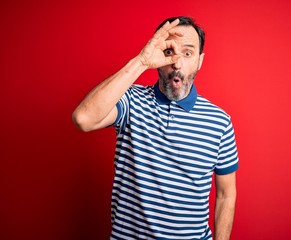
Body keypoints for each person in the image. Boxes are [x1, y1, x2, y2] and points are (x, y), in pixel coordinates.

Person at [73, 16, 239, 240]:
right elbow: (84, 118)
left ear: (200, 61)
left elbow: (226, 194)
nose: (177, 64)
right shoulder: (130, 100)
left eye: (187, 53)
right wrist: (142, 61)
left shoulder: (220, 122)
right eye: (169, 52)